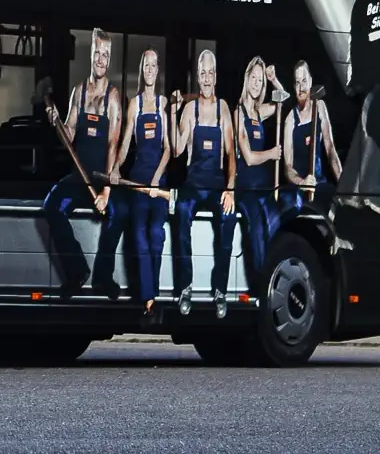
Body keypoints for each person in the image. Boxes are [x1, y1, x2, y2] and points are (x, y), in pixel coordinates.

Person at [37, 28, 120, 295]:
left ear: (109, 59)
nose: (100, 59)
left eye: (105, 55)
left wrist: (106, 192)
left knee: (119, 214)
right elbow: (69, 134)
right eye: (97, 53)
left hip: (101, 179)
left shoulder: (113, 97)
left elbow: (113, 145)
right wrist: (57, 121)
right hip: (78, 178)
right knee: (51, 206)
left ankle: (103, 277)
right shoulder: (79, 92)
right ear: (91, 54)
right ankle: (77, 271)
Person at [170, 48, 239, 318]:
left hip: (216, 183)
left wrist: (230, 189)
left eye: (211, 73)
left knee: (228, 218)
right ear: (197, 77)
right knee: (181, 212)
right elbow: (177, 149)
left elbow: (231, 153)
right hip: (193, 183)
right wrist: (173, 114)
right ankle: (185, 287)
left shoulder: (223, 109)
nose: (207, 78)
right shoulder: (190, 110)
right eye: (203, 73)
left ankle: (220, 289)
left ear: (216, 76)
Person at [112, 46, 171, 316]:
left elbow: (168, 148)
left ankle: (151, 294)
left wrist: (157, 180)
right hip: (136, 181)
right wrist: (116, 168)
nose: (149, 69)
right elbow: (125, 142)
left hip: (158, 182)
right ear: (142, 70)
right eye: (146, 65)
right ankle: (149, 299)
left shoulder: (162, 105)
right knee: (138, 236)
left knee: (156, 234)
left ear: (157, 71)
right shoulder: (134, 105)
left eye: (153, 65)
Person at [234, 56, 283, 288]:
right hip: (245, 187)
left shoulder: (259, 112)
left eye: (260, 80)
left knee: (275, 222)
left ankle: (274, 278)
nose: (256, 83)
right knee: (256, 226)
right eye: (253, 78)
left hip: (263, 186)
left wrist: (274, 80)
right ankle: (261, 284)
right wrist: (272, 153)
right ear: (247, 79)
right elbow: (249, 158)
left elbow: (282, 102)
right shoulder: (239, 113)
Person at [281, 58, 342, 217]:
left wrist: (343, 184)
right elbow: (287, 167)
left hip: (319, 182)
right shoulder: (290, 120)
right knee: (291, 206)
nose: (301, 87)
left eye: (304, 81)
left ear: (310, 82)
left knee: (336, 203)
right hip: (299, 186)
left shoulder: (319, 106)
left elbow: (330, 149)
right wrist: (303, 183)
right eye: (297, 83)